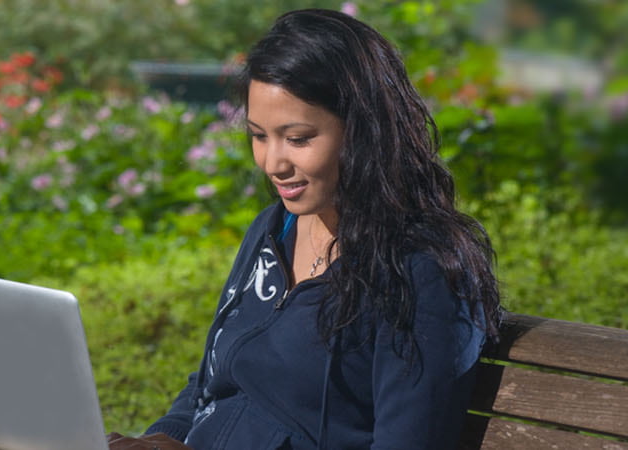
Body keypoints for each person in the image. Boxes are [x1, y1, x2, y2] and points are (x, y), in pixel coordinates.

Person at [107, 8, 502, 450]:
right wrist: (162, 439)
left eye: (298, 139)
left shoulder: (419, 271)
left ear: (363, 131)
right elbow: (213, 379)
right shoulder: (274, 229)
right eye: (260, 136)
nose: (273, 164)